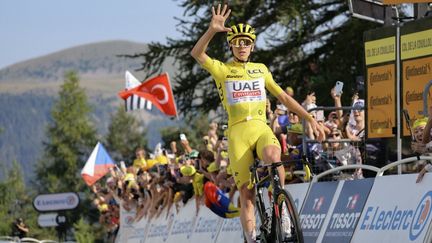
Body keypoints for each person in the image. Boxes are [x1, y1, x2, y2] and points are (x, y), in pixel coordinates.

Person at [190, 4, 325, 242]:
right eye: (237, 42)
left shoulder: (261, 70)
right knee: (247, 192)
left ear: (252, 46)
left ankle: (281, 208)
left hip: (261, 127)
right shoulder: (223, 70)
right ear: (231, 45)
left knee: (275, 156)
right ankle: (252, 237)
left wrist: (310, 117)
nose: (242, 47)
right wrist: (212, 30)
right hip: (237, 132)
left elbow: (283, 97)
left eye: (246, 43)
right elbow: (197, 54)